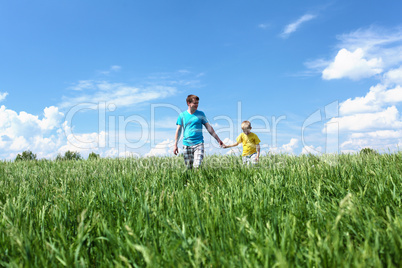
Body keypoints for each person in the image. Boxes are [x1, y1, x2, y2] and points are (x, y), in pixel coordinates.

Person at [173, 95, 224, 169]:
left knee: (197, 166)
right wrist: (175, 145)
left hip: (199, 144)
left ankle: (197, 179)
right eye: (195, 103)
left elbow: (208, 127)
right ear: (188, 103)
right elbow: (178, 130)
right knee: (188, 168)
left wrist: (218, 139)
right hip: (186, 144)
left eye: (197, 103)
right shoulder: (182, 115)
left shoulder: (201, 114)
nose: (197, 105)